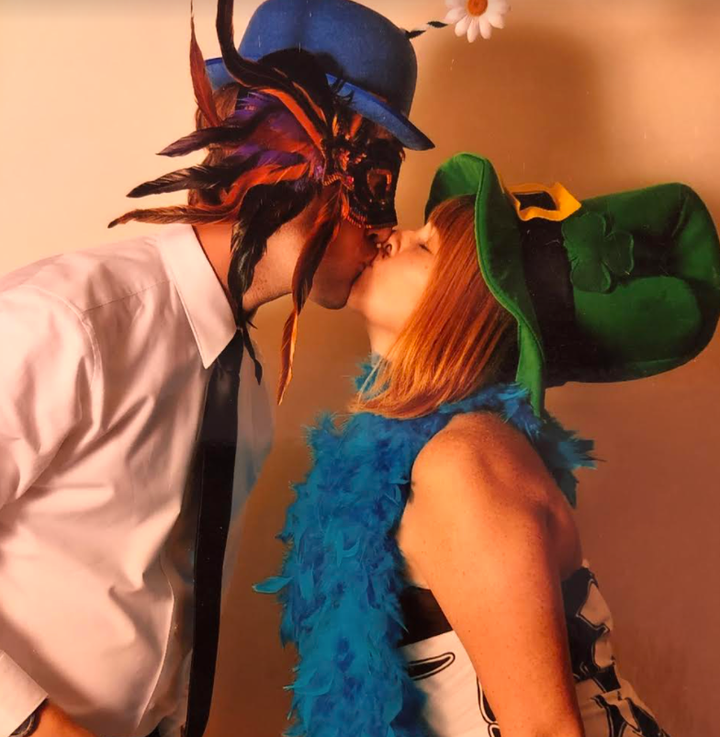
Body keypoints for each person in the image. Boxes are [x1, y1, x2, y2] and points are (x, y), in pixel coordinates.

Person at [0, 1, 434, 737]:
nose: (386, 225)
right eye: (376, 177)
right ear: (288, 157)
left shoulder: (251, 391)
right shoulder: (74, 322)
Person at [257, 153, 720, 737]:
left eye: (426, 246)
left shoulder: (464, 464)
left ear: (465, 311)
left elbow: (544, 730)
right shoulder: (417, 451)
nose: (395, 235)